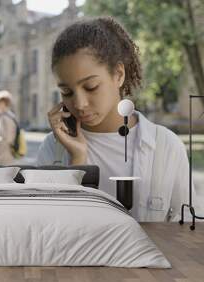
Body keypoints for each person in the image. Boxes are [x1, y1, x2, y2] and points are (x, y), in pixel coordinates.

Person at [36, 17, 195, 222]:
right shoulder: (52, 149)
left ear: (118, 74)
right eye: (66, 92)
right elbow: (47, 231)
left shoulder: (167, 147)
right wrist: (78, 160)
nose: (80, 103)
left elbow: (188, 231)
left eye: (91, 87)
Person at [0, 90, 18, 165]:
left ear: (3, 103)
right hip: (2, 156)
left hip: (6, 157)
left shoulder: (7, 118)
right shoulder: (4, 116)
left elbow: (9, 139)